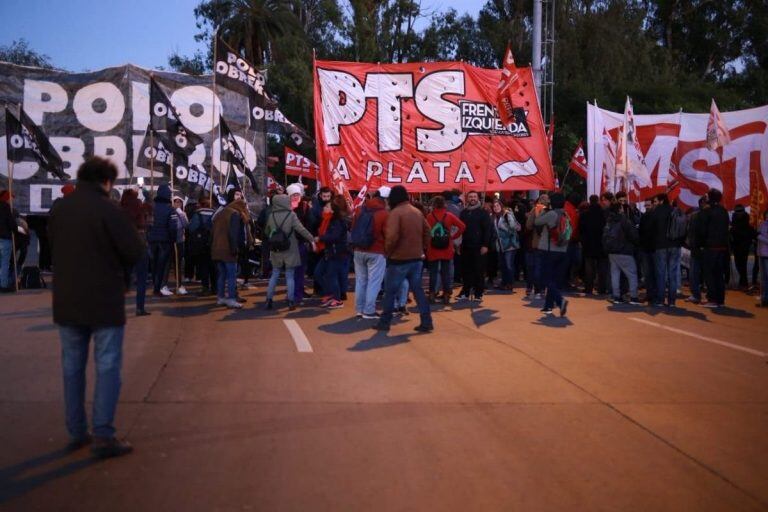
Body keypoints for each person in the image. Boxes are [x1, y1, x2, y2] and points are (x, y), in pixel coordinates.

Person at [48, 157, 145, 458]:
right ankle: (103, 433)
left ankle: (77, 432)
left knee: (72, 368)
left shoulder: (60, 209)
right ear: (106, 181)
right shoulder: (109, 210)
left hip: (67, 300)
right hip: (104, 301)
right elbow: (135, 251)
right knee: (107, 367)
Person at [373, 185, 433, 332]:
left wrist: (388, 252)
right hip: (416, 258)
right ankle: (426, 321)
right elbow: (428, 231)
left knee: (390, 291)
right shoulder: (417, 212)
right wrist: (422, 248)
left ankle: (385, 322)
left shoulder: (395, 213)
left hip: (399, 259)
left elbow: (391, 237)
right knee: (418, 291)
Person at [264, 193, 316, 310]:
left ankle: (269, 299)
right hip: (290, 248)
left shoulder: (271, 215)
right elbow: (301, 229)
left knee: (275, 274)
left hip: (276, 249)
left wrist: (275, 235)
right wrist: (312, 239)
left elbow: (267, 232)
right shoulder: (291, 215)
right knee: (290, 275)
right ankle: (291, 301)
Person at [352, 187, 390, 318]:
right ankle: (369, 310)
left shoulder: (360, 209)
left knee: (361, 280)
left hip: (358, 249)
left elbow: (353, 228)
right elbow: (387, 234)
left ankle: (359, 309)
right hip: (377, 251)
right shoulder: (384, 214)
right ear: (385, 199)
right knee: (374, 282)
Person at [211, 191, 248, 309]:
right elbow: (233, 234)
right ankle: (231, 299)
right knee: (232, 276)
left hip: (217, 249)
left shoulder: (221, 213)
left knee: (221, 275)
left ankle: (220, 298)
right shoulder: (235, 214)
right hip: (228, 250)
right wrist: (234, 249)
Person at [534, 192, 570, 316]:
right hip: (563, 250)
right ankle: (548, 306)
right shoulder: (566, 214)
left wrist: (544, 210)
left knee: (545, 278)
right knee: (553, 279)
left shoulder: (551, 214)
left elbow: (537, 221)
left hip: (549, 250)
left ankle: (560, 301)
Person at [426, 195, 466, 303]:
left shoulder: (430, 216)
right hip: (446, 247)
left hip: (433, 247)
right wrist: (453, 237)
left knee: (433, 272)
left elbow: (425, 231)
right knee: (446, 272)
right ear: (444, 204)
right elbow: (462, 226)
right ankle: (447, 294)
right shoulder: (449, 215)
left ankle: (432, 294)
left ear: (434, 204)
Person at [697, 188, 730, 308]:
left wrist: (701, 244)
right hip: (722, 246)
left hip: (710, 246)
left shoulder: (708, 211)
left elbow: (702, 230)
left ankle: (712, 299)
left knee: (709, 274)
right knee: (719, 274)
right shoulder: (723, 211)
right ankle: (720, 299)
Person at [120, 188, 151, 316]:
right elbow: (148, 221)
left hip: (124, 245)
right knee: (142, 278)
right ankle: (139, 307)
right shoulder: (140, 207)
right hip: (139, 244)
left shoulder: (119, 209)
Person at [649, 193, 684, 307]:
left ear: (661, 201)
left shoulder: (656, 212)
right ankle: (672, 301)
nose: (654, 203)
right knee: (673, 274)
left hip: (661, 246)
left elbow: (651, 230)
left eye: (655, 201)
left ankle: (660, 300)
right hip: (675, 245)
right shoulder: (674, 210)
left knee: (661, 274)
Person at [603, 203, 641, 304]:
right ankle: (634, 297)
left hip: (611, 251)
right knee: (632, 274)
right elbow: (633, 235)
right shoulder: (624, 220)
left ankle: (616, 296)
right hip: (624, 251)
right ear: (620, 209)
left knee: (615, 274)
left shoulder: (609, 221)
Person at [458, 190, 492, 301]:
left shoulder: (483, 212)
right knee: (466, 270)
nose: (472, 198)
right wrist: (458, 244)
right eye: (470, 196)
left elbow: (487, 230)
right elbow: (459, 229)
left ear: (477, 198)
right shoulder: (463, 212)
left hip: (479, 246)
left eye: (474, 196)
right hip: (466, 246)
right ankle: (465, 292)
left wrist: (485, 245)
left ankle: (479, 293)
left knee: (479, 270)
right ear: (467, 198)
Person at [318, 196, 351, 309]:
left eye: (327, 206)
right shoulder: (329, 220)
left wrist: (321, 238)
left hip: (337, 252)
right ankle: (331, 295)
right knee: (325, 274)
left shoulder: (337, 221)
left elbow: (334, 237)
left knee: (332, 275)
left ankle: (337, 299)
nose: (324, 208)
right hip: (331, 251)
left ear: (332, 209)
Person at [147, 184, 178, 297]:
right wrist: (173, 238)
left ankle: (155, 286)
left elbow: (148, 224)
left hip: (152, 240)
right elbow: (173, 226)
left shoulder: (151, 207)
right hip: (165, 241)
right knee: (162, 265)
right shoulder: (171, 209)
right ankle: (157, 288)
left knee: (153, 264)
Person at [188, 196, 216, 296]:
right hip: (213, 243)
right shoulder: (215, 214)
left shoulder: (197, 215)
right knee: (213, 266)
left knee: (203, 266)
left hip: (201, 244)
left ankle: (205, 287)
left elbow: (191, 228)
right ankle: (215, 287)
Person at [490, 199, 520, 291]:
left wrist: (503, 228)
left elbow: (513, 227)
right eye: (494, 206)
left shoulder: (507, 214)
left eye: (497, 206)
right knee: (503, 265)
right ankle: (504, 282)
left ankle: (510, 283)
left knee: (509, 264)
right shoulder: (493, 217)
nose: (496, 208)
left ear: (501, 206)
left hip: (510, 244)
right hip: (500, 245)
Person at [525, 194, 550, 298]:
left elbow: (528, 226)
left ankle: (537, 290)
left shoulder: (534, 210)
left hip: (537, 243)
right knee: (545, 267)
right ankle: (544, 288)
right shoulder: (551, 211)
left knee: (536, 267)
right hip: (549, 244)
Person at [684, 196, 708, 304]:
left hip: (699, 248)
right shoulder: (711, 214)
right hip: (705, 248)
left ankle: (697, 295)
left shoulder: (696, 216)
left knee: (695, 272)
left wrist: (690, 243)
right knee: (698, 272)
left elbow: (691, 232)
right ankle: (702, 295)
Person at [730, 204, 755, 290]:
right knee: (742, 264)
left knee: (740, 264)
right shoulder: (745, 218)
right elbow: (751, 231)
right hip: (744, 245)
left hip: (739, 245)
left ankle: (743, 283)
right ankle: (743, 283)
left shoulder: (735, 219)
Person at [170, 196, 189, 295]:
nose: (178, 204)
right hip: (171, 241)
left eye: (179, 202)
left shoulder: (182, 213)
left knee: (179, 263)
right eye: (176, 202)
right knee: (171, 263)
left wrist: (181, 214)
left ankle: (179, 283)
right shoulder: (170, 213)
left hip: (180, 241)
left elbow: (186, 225)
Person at [0, 190, 16, 292]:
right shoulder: (5, 207)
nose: (11, 201)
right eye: (11, 199)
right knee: (4, 262)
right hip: (5, 238)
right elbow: (11, 223)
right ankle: (3, 285)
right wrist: (15, 229)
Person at [757, 210, 768, 308]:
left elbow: (760, 237)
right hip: (761, 253)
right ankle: (764, 299)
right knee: (763, 279)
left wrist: (760, 237)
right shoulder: (762, 224)